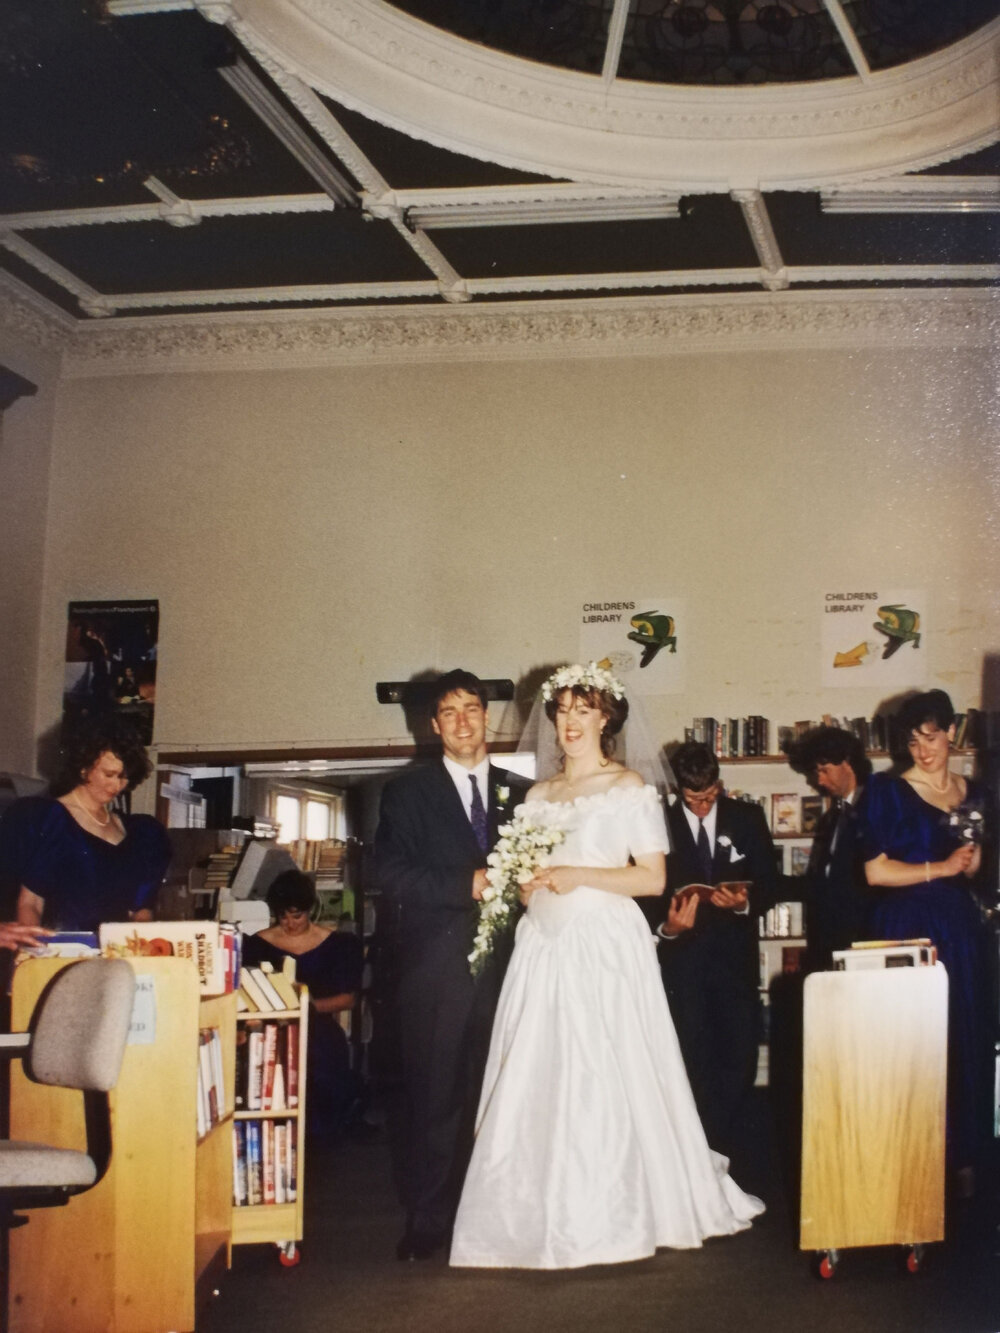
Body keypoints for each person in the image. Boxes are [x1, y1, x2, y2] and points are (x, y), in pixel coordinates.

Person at [450, 665, 763, 1270]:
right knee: (541, 1069)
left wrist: (577, 876)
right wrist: (529, 885)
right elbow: (522, 884)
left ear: (605, 718)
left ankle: (621, 1206)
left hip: (604, 942)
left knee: (608, 1065)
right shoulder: (538, 795)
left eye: (582, 709)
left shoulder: (629, 786)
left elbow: (652, 877)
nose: (570, 721)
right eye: (562, 710)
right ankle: (533, 1210)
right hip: (546, 942)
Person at [374, 669, 530, 1262]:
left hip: (515, 969)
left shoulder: (523, 791)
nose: (464, 720)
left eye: (473, 708)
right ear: (433, 725)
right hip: (435, 971)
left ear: (486, 716)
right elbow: (389, 875)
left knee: (506, 1095)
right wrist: (467, 883)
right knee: (434, 1098)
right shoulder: (406, 794)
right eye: (451, 712)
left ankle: (503, 1213)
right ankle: (428, 1219)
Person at [858, 689, 991, 1189]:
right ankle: (910, 1150)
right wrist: (940, 867)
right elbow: (876, 872)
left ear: (952, 733)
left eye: (930, 737)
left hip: (958, 926)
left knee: (963, 1033)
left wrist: (970, 857)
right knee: (912, 1042)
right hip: (906, 924)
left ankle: (962, 1153)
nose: (922, 750)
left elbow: (974, 869)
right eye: (912, 740)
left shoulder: (974, 792)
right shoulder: (886, 792)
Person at [644, 741, 778, 1160]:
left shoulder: (747, 818)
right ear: (677, 790)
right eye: (691, 799)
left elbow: (771, 884)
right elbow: (646, 896)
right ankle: (697, 1149)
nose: (701, 807)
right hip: (682, 963)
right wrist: (667, 927)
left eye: (709, 797)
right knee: (690, 1054)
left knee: (739, 1053)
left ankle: (730, 1144)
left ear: (719, 785)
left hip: (734, 961)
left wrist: (744, 903)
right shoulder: (658, 824)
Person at [0, 716, 169, 932]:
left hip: (115, 956)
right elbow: (29, 903)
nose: (117, 785)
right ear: (83, 767)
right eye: (109, 774)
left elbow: (140, 913)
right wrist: (32, 952)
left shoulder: (141, 832)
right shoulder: (47, 820)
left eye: (124, 777)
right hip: (59, 953)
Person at [242, 868, 363, 1141]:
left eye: (296, 915)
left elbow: (348, 999)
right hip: (273, 1026)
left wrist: (304, 1008)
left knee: (322, 1055)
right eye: (282, 916)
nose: (289, 923)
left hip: (317, 1025)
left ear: (309, 910)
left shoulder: (336, 944)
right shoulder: (258, 943)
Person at [787, 725, 873, 968]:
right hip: (828, 943)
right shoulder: (830, 819)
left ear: (847, 761)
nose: (820, 780)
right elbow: (819, 883)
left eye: (825, 770)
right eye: (816, 772)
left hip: (864, 942)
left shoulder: (874, 808)